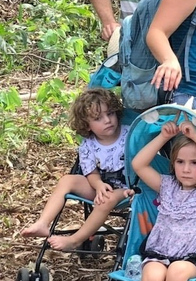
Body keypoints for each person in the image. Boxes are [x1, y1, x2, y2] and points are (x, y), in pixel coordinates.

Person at [21, 88, 130, 251]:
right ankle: (43, 223)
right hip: (100, 186)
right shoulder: (88, 144)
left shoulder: (130, 134)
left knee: (107, 198)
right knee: (67, 180)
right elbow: (91, 173)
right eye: (98, 118)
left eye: (111, 113)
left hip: (127, 188)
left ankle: (75, 240)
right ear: (87, 125)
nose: (107, 120)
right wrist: (99, 185)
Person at [131, 120, 196, 281]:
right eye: (180, 162)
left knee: (176, 272)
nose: (186, 169)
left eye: (195, 163)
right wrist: (163, 137)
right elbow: (138, 164)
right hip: (158, 254)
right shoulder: (167, 186)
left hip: (191, 259)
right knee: (152, 275)